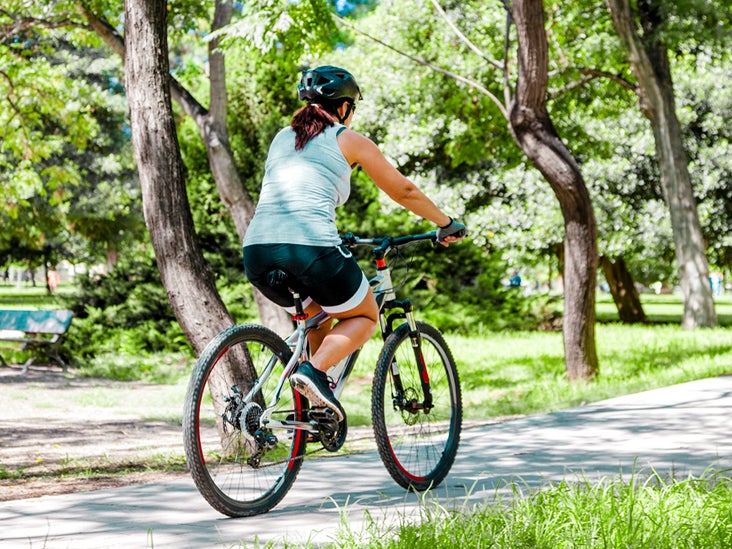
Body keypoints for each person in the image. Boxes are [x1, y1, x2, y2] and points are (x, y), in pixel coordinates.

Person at [242, 66, 466, 422]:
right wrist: (445, 223)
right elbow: (403, 190)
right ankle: (312, 371)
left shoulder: (282, 138)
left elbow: (302, 191)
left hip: (256, 251)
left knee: (318, 315)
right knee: (364, 314)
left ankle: (316, 405)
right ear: (343, 107)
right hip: (310, 246)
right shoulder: (348, 139)